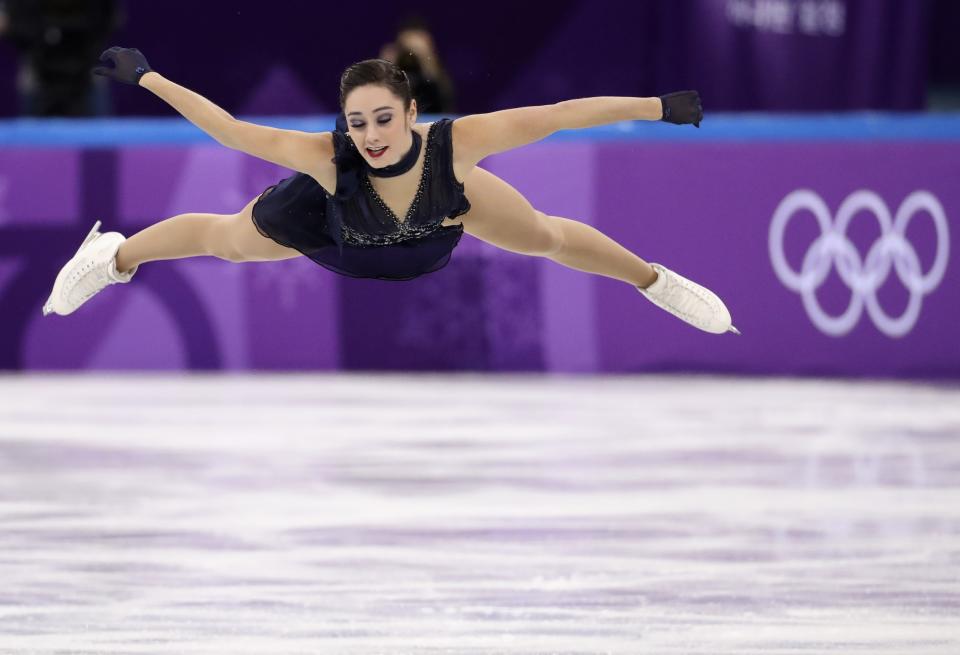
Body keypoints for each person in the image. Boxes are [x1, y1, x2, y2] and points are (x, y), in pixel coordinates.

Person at [42, 47, 739, 336]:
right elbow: (228, 130)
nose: (371, 133)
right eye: (357, 122)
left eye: (383, 118)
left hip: (431, 226)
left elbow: (558, 117)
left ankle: (655, 281)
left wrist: (656, 107)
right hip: (336, 227)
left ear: (411, 114)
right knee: (224, 240)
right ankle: (112, 256)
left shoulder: (456, 146)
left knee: (546, 236)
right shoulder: (328, 159)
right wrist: (147, 77)